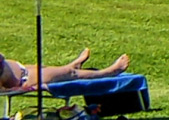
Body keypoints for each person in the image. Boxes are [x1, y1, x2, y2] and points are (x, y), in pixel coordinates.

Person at [0, 48, 131, 93]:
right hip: (24, 80)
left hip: (19, 69)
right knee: (70, 74)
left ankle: (72, 66)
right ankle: (109, 72)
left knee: (46, 68)